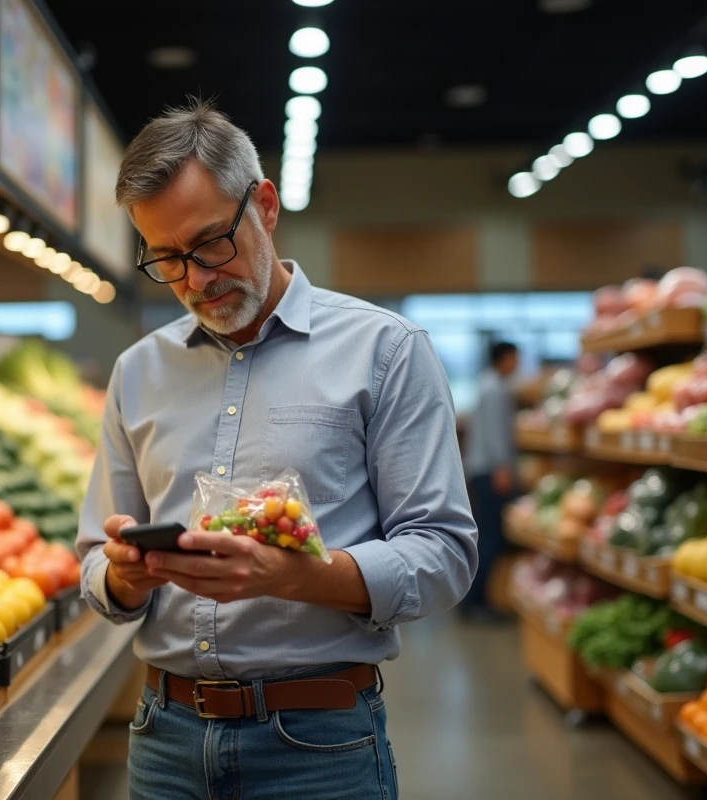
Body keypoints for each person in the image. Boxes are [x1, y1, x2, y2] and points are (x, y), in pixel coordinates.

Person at [76, 99, 477, 800]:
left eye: (210, 245)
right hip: (163, 741)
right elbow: (92, 564)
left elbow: (443, 553)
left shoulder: (384, 351)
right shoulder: (137, 371)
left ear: (264, 205)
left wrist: (296, 577)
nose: (197, 280)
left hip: (318, 747)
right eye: (168, 260)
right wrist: (122, 579)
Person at [460, 341, 520, 619]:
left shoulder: (487, 384)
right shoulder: (496, 388)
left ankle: (473, 600)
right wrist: (503, 469)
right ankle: (476, 602)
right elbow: (496, 434)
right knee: (491, 538)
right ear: (504, 358)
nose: (517, 363)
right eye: (514, 358)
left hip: (481, 469)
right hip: (491, 472)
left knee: (485, 535)